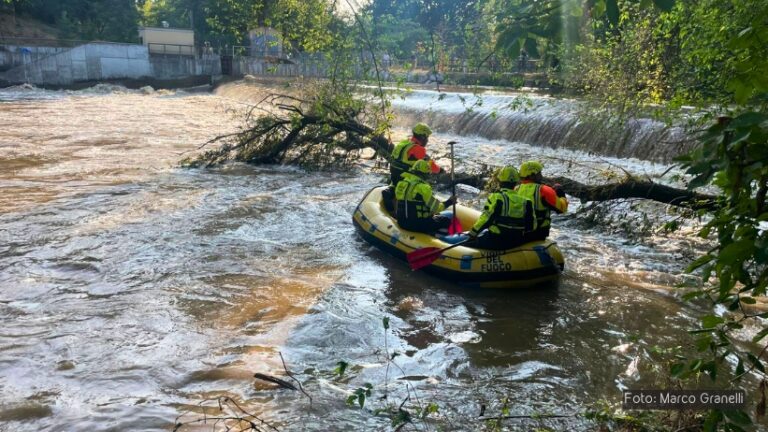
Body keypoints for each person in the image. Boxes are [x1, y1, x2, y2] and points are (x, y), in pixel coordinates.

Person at [466, 166, 534, 250]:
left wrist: (472, 234)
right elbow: (531, 226)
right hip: (517, 241)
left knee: (466, 244)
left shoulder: (497, 198)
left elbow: (486, 219)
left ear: (500, 182)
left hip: (496, 240)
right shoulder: (527, 201)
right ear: (516, 182)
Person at [382, 123, 442, 213]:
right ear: (422, 137)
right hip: (405, 177)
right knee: (421, 183)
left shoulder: (403, 143)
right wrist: (440, 170)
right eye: (427, 138)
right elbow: (428, 165)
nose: (427, 140)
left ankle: (391, 192)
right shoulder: (419, 149)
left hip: (394, 174)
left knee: (396, 185)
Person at [395, 160, 456, 234]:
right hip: (417, 224)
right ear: (424, 174)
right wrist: (449, 202)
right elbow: (436, 208)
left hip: (401, 221)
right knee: (446, 221)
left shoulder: (401, 183)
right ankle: (438, 236)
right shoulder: (424, 188)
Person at [515, 160, 568, 241]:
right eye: (539, 173)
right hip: (538, 233)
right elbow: (562, 209)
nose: (541, 176)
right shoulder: (544, 190)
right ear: (532, 175)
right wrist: (561, 194)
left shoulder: (516, 189)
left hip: (519, 232)